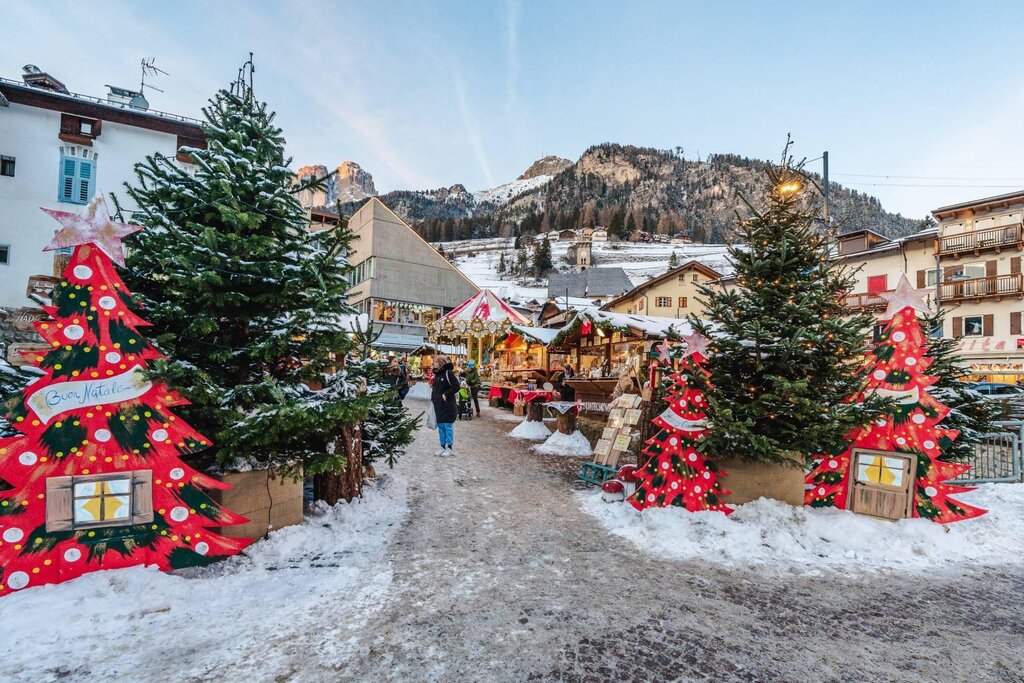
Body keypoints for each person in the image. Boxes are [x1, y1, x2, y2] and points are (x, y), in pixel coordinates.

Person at [431, 354, 459, 456]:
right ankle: (442, 446)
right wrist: (433, 399)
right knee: (441, 427)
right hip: (439, 405)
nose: (433, 364)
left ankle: (449, 447)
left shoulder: (448, 373)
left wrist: (446, 395)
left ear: (440, 363)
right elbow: (435, 389)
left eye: (435, 362)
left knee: (448, 426)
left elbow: (456, 386)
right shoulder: (437, 375)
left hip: (448, 405)